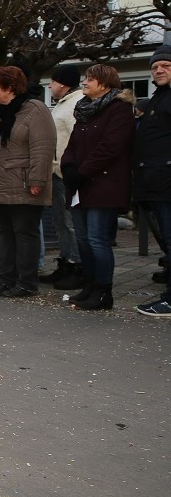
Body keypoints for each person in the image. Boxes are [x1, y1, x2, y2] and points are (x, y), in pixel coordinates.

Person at [59, 65, 135, 311]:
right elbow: (72, 144)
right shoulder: (84, 110)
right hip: (80, 185)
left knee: (97, 238)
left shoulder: (119, 109)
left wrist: (82, 171)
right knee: (83, 238)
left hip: (104, 184)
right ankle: (89, 286)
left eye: (90, 79)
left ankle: (104, 291)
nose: (85, 82)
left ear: (104, 83)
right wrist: (68, 166)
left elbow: (110, 146)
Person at [0, 65, 56, 297]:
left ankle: (26, 282)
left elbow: (43, 148)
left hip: (24, 182)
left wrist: (37, 180)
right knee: (3, 232)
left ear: (10, 87)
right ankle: (6, 279)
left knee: (24, 233)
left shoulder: (34, 110)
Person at [40, 65, 85, 289]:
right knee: (60, 222)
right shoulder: (63, 105)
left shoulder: (75, 104)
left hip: (65, 171)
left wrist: (67, 165)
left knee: (69, 222)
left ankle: (78, 265)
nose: (50, 85)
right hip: (56, 171)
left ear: (64, 83)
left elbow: (76, 139)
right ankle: (66, 262)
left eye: (53, 81)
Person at [135, 44, 171, 317]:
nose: (158, 70)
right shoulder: (159, 97)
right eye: (155, 67)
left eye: (165, 66)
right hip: (155, 181)